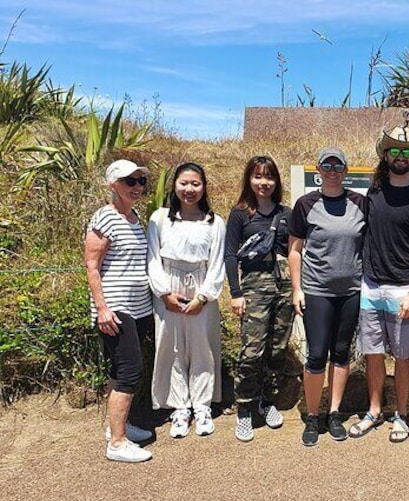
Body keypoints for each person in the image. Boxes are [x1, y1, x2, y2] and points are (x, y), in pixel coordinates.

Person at [348, 125, 409, 442]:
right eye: (395, 151)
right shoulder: (372, 196)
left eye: (407, 152)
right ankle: (374, 410)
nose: (401, 157)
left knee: (402, 356)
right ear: (385, 155)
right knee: (373, 354)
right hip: (371, 287)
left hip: (402, 291)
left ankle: (401, 414)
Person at [289, 147, 367, 446]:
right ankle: (312, 415)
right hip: (317, 291)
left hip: (350, 291)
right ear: (318, 170)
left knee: (342, 351)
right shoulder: (306, 204)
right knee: (317, 353)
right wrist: (297, 289)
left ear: (346, 171)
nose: (332, 171)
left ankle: (334, 412)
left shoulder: (359, 203)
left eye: (338, 166)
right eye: (326, 165)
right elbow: (295, 251)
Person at [147, 163, 225, 438]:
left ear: (204, 187)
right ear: (174, 186)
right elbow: (153, 258)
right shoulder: (159, 219)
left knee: (202, 348)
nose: (189, 189)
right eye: (184, 183)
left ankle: (202, 405)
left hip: (201, 287)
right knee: (172, 347)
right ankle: (179, 407)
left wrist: (203, 297)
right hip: (169, 286)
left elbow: (217, 262)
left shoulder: (214, 222)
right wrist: (164, 293)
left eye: (195, 184)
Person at [84, 159, 154, 463]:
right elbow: (91, 265)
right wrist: (102, 308)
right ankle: (117, 442)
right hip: (115, 307)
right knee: (130, 370)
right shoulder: (105, 218)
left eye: (141, 181)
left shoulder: (135, 217)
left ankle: (117, 426)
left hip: (138, 307)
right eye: (130, 182)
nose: (137, 187)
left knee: (117, 369)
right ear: (113, 185)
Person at [224, 156, 293, 442]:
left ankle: (267, 400)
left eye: (269, 177)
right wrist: (236, 293)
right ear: (249, 180)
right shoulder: (241, 214)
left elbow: (295, 252)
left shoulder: (287, 212)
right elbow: (230, 254)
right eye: (257, 177)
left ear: (276, 181)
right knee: (252, 350)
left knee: (277, 347)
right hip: (254, 284)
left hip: (285, 283)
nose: (263, 183)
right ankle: (244, 408)